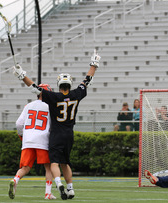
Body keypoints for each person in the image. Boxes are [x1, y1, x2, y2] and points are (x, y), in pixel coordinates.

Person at [12, 50, 101, 200]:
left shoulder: (53, 97)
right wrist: (94, 64)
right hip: (69, 134)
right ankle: (70, 189)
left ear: (59, 84)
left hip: (56, 134)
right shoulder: (76, 94)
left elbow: (34, 87)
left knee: (54, 162)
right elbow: (87, 80)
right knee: (66, 163)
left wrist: (22, 75)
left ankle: (58, 183)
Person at [9, 84, 56, 200]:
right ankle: (48, 193)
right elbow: (53, 126)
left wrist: (22, 135)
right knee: (48, 167)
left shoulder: (28, 105)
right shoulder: (50, 107)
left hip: (28, 139)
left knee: (25, 167)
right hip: (43, 140)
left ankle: (15, 179)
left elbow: (19, 124)